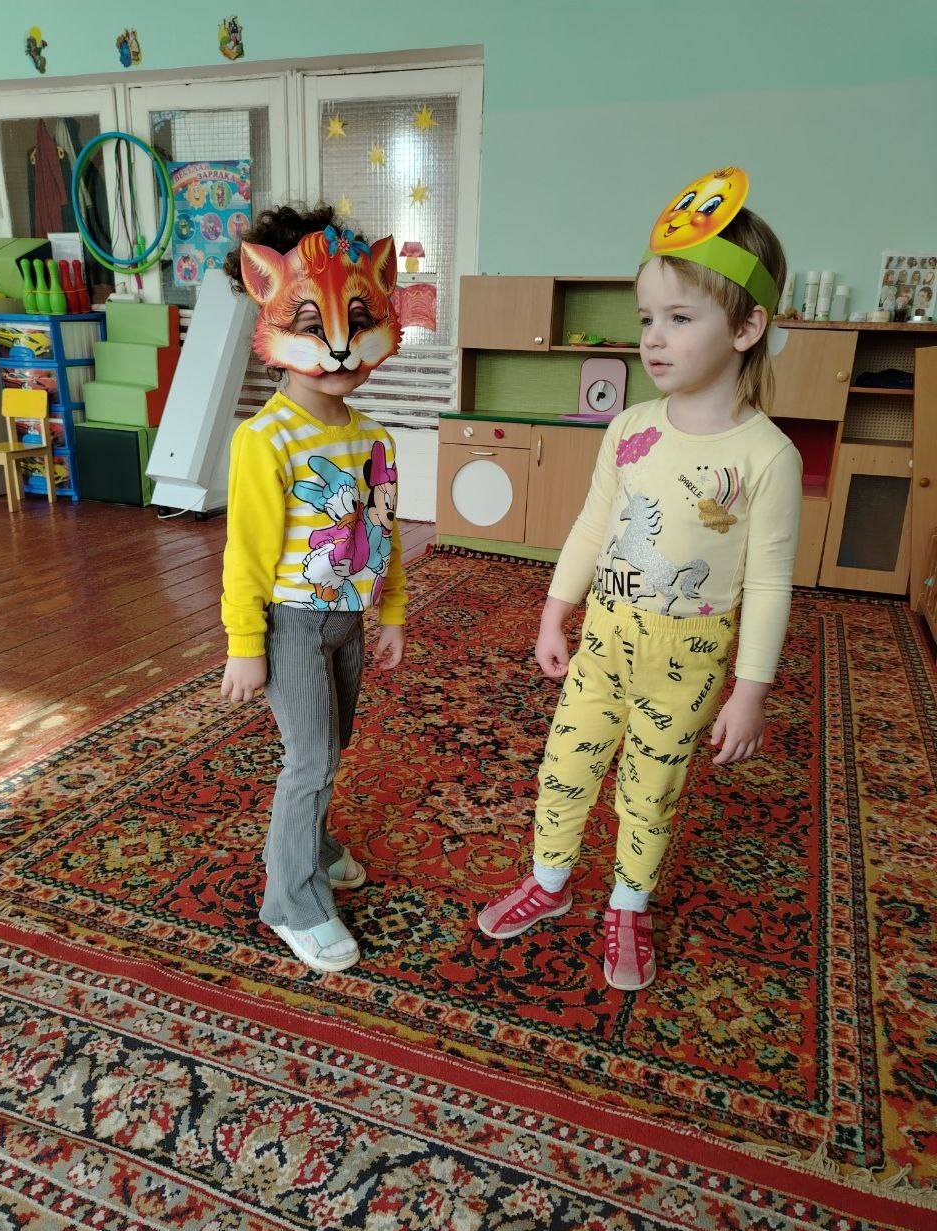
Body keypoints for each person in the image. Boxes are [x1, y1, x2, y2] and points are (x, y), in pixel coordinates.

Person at [478, 167, 802, 991]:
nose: (653, 338)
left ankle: (628, 904)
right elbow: (594, 525)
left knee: (649, 789)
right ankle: (550, 882)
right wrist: (555, 612)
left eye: (680, 318)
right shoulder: (628, 427)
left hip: (688, 657)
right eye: (647, 318)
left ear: (747, 327)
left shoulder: (767, 456)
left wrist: (750, 692)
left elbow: (770, 584)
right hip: (605, 640)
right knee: (565, 766)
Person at [220, 204, 406, 973]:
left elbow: (383, 530)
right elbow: (246, 553)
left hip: (347, 622)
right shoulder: (264, 439)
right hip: (290, 623)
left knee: (332, 746)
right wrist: (245, 644)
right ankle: (291, 901)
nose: (339, 346)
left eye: (357, 322)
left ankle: (315, 844)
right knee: (311, 758)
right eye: (315, 325)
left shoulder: (374, 436)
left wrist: (391, 612)